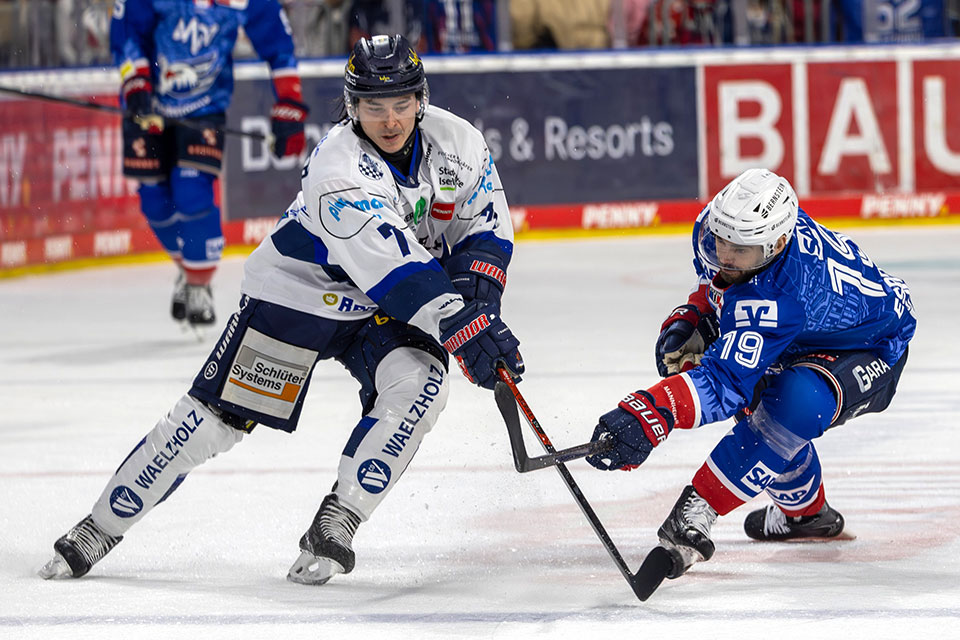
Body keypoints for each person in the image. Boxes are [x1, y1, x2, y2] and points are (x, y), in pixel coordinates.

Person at [39, 33, 524, 586]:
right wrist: (463, 323)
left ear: (421, 99)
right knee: (213, 423)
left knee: (421, 384)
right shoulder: (336, 169)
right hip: (299, 297)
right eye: (373, 106)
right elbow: (395, 269)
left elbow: (484, 230)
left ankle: (339, 520)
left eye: (400, 105)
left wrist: (481, 307)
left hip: (379, 309)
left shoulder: (459, 141)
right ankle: (99, 527)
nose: (389, 120)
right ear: (351, 106)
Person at [586, 168, 916, 581]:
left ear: (776, 244)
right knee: (758, 393)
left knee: (795, 401)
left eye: (739, 249)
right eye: (720, 238)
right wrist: (698, 316)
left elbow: (723, 385)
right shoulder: (738, 233)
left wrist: (652, 412)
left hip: (873, 345)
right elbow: (723, 284)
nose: (724, 254)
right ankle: (806, 517)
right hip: (803, 329)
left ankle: (702, 510)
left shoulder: (782, 290)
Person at [111, 0, 309, 327]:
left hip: (206, 109)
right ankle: (190, 269)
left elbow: (278, 45)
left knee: (192, 193)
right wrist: (136, 82)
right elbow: (126, 31)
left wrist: (289, 101)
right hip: (146, 105)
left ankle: (199, 284)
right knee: (154, 202)